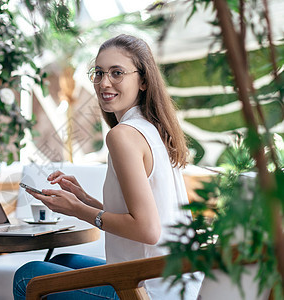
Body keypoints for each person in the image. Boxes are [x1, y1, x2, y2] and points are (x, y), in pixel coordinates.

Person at [13, 34, 203, 299]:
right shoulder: (153, 129)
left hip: (149, 289)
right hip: (176, 283)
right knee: (66, 260)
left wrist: (77, 210)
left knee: (28, 276)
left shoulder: (122, 135)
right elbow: (146, 215)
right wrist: (84, 199)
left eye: (117, 73)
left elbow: (147, 229)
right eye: (99, 73)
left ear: (144, 80)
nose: (104, 83)